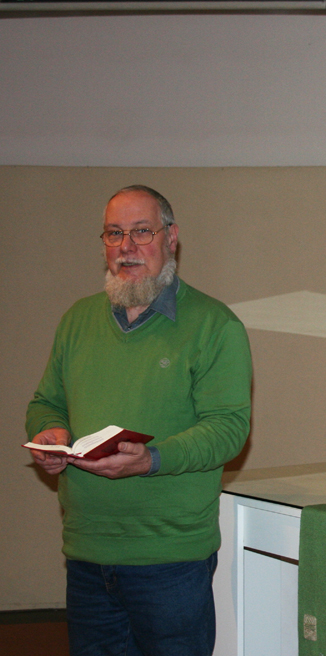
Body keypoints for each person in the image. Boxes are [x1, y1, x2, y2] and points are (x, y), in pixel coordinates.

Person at [26, 185, 252, 656]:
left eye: (141, 232)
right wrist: (50, 433)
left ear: (171, 238)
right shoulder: (77, 320)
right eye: (114, 233)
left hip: (170, 562)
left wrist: (151, 459)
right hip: (88, 556)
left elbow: (228, 429)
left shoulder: (215, 325)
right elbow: (46, 401)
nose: (126, 247)